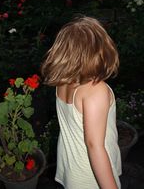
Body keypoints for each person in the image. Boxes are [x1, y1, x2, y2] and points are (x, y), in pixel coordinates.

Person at [41, 16, 122, 189]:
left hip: (73, 169)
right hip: (92, 176)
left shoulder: (62, 82)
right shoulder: (95, 90)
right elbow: (94, 145)